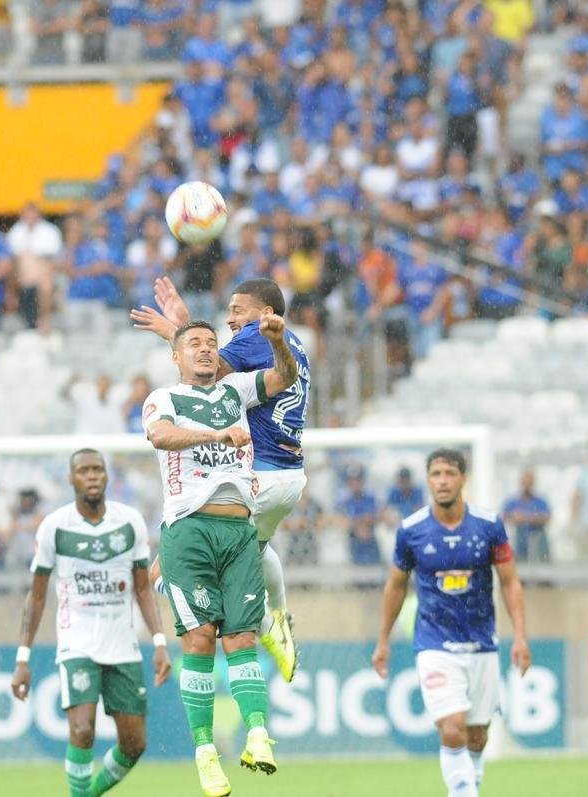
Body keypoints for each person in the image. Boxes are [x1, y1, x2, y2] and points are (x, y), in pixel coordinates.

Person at [141, 315, 298, 796]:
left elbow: (284, 377)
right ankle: (206, 754)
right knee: (200, 640)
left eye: (212, 343)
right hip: (189, 529)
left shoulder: (236, 392)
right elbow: (160, 436)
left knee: (241, 639)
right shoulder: (162, 398)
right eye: (194, 344)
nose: (206, 350)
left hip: (238, 531)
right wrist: (217, 436)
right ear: (177, 356)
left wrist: (277, 343)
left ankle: (257, 735)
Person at [132, 277, 309, 683]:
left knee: (161, 572)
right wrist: (182, 328)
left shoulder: (255, 335)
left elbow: (208, 367)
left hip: (256, 472)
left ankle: (261, 623)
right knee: (255, 547)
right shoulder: (290, 341)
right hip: (288, 473)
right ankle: (277, 619)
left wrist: (173, 332)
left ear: (265, 314)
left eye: (237, 310)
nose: (230, 320)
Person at [11, 449, 172, 797]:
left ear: (107, 476)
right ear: (71, 479)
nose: (93, 476)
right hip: (77, 643)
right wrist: (22, 658)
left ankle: (90, 793)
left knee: (134, 744)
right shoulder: (55, 527)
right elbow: (36, 596)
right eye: (84, 470)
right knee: (82, 730)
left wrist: (159, 642)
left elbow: (143, 587)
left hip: (122, 645)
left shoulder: (129, 522)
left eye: (98, 469)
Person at [372, 448, 531, 797]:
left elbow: (510, 581)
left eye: (449, 473)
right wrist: (383, 640)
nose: (442, 481)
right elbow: (395, 585)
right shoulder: (411, 530)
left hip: (481, 642)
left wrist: (520, 636)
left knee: (477, 736)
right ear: (428, 480)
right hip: (434, 642)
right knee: (453, 728)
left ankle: (467, 783)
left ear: (463, 478)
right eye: (436, 474)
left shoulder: (489, 526)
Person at [7, 203, 63, 334]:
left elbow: (52, 259)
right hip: (21, 275)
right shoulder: (16, 231)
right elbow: (14, 259)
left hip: (45, 273)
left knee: (43, 278)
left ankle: (44, 320)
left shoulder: (50, 231)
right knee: (23, 261)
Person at [502, 469, 552, 563]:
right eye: (525, 481)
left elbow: (547, 517)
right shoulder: (512, 502)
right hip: (519, 546)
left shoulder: (541, 502)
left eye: (530, 481)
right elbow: (503, 517)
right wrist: (514, 518)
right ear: (521, 482)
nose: (527, 484)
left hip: (539, 547)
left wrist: (526, 518)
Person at [336, 467, 381, 566]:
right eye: (352, 481)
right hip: (353, 541)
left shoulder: (370, 498)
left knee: (375, 572)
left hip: (370, 541)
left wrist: (360, 522)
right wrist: (359, 523)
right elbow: (341, 521)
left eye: (358, 480)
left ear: (363, 481)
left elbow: (377, 516)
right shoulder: (344, 500)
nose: (355, 484)